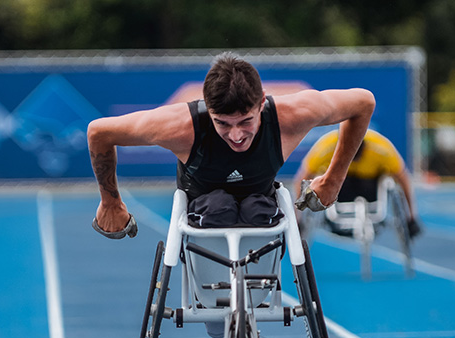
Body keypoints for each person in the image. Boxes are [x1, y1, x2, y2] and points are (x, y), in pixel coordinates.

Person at [87, 52, 376, 239]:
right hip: (203, 208)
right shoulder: (181, 125)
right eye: (222, 123)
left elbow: (363, 103)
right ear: (208, 109)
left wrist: (334, 179)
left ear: (262, 103)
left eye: (245, 122)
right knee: (219, 208)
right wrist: (110, 202)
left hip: (260, 205)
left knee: (257, 211)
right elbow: (99, 132)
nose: (236, 135)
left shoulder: (292, 115)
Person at [293, 129, 422, 237]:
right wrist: (297, 219)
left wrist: (411, 217)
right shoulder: (326, 146)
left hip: (369, 187)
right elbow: (301, 178)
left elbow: (403, 178)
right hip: (339, 189)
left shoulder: (381, 148)